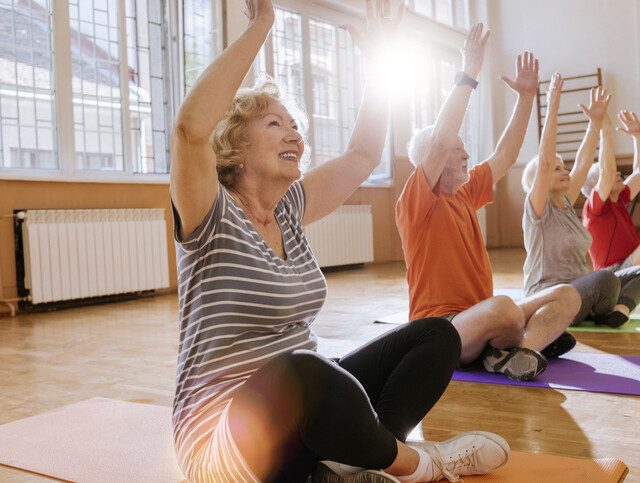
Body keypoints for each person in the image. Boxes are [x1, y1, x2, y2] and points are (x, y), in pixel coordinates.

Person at [169, 1, 509, 482]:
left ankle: (359, 467)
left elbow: (364, 152)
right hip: (227, 444)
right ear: (234, 144)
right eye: (275, 124)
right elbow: (188, 130)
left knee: (437, 335)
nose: (295, 135)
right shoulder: (211, 212)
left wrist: (379, 61)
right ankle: (421, 466)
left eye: (296, 127)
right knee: (304, 372)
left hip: (301, 426)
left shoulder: (288, 210)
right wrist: (263, 24)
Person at [396, 29, 580, 383]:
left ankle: (517, 351)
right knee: (506, 310)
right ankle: (515, 345)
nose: (466, 154)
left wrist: (527, 97)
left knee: (566, 296)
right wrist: (469, 74)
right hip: (442, 330)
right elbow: (439, 139)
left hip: (482, 316)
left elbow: (505, 155)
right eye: (456, 149)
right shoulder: (417, 201)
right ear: (432, 159)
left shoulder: (465, 192)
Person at [522, 78, 640, 328]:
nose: (564, 171)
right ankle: (591, 309)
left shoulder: (565, 203)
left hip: (580, 293)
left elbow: (583, 161)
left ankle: (613, 310)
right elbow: (544, 160)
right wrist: (553, 103)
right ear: (540, 179)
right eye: (556, 169)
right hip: (548, 297)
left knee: (616, 277)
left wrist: (595, 123)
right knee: (605, 280)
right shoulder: (538, 211)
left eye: (563, 166)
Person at [581, 110, 640, 271]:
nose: (617, 173)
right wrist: (605, 129)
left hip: (632, 265)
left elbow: (639, 172)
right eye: (612, 172)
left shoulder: (618, 198)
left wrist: (637, 137)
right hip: (612, 273)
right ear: (597, 184)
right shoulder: (594, 208)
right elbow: (606, 173)